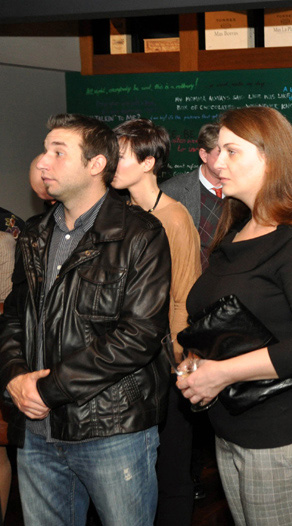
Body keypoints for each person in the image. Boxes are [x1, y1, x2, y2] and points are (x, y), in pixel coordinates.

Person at [176, 106, 292, 526]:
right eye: (218, 151)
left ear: (270, 158)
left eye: (232, 151)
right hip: (233, 426)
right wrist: (200, 364)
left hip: (283, 432)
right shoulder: (236, 231)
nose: (217, 162)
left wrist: (222, 373)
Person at [0, 113, 171, 525]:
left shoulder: (140, 233)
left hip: (110, 428)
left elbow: (138, 336)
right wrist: (15, 377)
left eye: (58, 152)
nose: (43, 161)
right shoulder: (35, 234)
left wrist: (49, 389)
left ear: (96, 164)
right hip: (37, 431)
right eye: (45, 150)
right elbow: (13, 318)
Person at [112, 118, 202, 526]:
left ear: (148, 162)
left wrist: (178, 361)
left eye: (121, 156)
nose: (111, 163)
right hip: (123, 359)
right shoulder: (116, 214)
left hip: (164, 361)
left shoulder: (174, 217)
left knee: (172, 468)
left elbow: (184, 295)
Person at [160, 123, 224, 269]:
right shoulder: (172, 191)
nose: (228, 160)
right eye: (220, 153)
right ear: (204, 155)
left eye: (231, 152)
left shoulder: (244, 190)